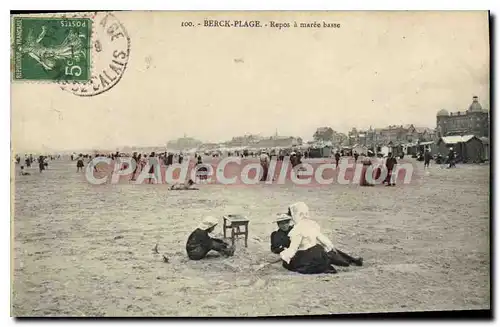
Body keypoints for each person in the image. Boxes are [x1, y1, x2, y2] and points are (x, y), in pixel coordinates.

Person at [279, 202, 362, 274]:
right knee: (324, 250)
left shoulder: (296, 230)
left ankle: (324, 265)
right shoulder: (311, 224)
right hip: (317, 251)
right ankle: (348, 260)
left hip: (306, 255)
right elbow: (324, 240)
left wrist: (284, 255)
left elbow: (293, 249)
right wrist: (330, 249)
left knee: (287, 264)